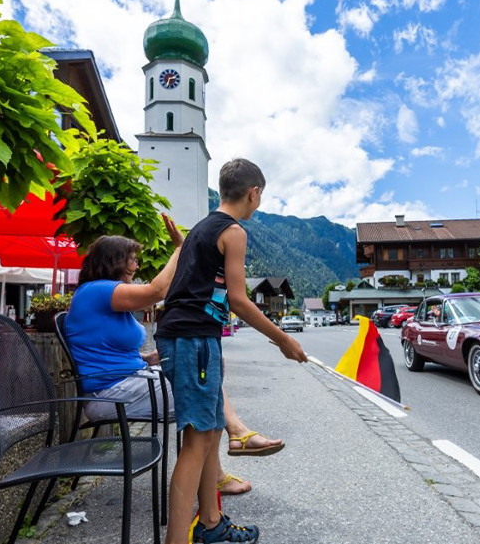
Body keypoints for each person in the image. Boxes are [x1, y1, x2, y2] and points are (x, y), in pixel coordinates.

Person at [63, 215, 278, 497]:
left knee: (206, 371)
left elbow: (105, 350)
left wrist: (147, 359)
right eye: (132, 259)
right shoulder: (96, 292)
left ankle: (228, 448)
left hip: (127, 382)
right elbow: (157, 291)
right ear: (114, 261)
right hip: (109, 394)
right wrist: (180, 248)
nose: (136, 266)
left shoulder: (105, 297)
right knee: (203, 388)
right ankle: (226, 453)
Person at [157, 159, 308, 544]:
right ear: (253, 193)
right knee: (196, 444)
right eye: (261, 196)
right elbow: (239, 300)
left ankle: (211, 524)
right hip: (193, 339)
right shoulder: (233, 232)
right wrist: (283, 339)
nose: (259, 202)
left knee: (208, 434)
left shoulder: (201, 229)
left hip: (187, 338)